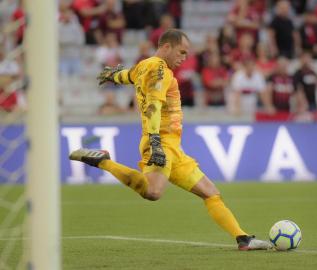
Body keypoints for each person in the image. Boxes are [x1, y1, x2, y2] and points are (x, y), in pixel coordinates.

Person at [69, 29, 270, 251]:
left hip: (174, 149)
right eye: (181, 52)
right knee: (153, 193)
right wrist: (155, 140)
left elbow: (127, 75)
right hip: (161, 143)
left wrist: (113, 76)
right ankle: (104, 161)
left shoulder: (144, 65)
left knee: (211, 193)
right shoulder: (162, 71)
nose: (184, 58)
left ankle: (243, 239)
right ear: (166, 47)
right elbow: (154, 104)